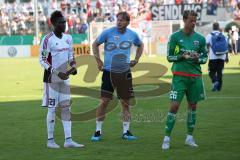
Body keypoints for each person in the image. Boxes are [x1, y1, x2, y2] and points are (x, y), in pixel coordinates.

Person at [90, 11, 144, 141]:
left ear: (127, 22)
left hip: (124, 72)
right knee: (104, 102)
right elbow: (95, 44)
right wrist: (98, 61)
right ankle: (97, 131)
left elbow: (140, 45)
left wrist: (136, 59)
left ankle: (126, 132)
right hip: (108, 71)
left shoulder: (132, 34)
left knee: (125, 103)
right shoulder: (108, 32)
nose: (119, 22)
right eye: (118, 19)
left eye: (121, 20)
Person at [161, 10, 208, 150]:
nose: (193, 23)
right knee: (174, 106)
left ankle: (189, 137)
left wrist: (197, 58)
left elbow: (205, 58)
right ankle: (166, 138)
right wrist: (183, 56)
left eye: (195, 21)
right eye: (191, 21)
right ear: (184, 20)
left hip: (195, 78)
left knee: (192, 107)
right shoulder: (175, 37)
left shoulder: (200, 39)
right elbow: (170, 57)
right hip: (179, 77)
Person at [39, 10, 84, 149]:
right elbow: (42, 60)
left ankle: (68, 140)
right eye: (61, 22)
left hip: (65, 78)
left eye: (65, 22)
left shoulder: (68, 38)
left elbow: (71, 56)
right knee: (52, 109)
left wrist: (73, 66)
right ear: (54, 24)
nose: (64, 24)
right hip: (52, 78)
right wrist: (57, 72)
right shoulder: (47, 39)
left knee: (66, 108)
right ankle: (50, 141)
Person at [206, 22, 229, 92]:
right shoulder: (223, 35)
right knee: (220, 72)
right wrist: (227, 57)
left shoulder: (209, 35)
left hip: (213, 57)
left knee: (211, 72)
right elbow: (226, 47)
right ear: (218, 27)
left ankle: (215, 81)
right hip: (222, 56)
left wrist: (207, 51)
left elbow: (207, 45)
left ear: (213, 27)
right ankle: (218, 88)